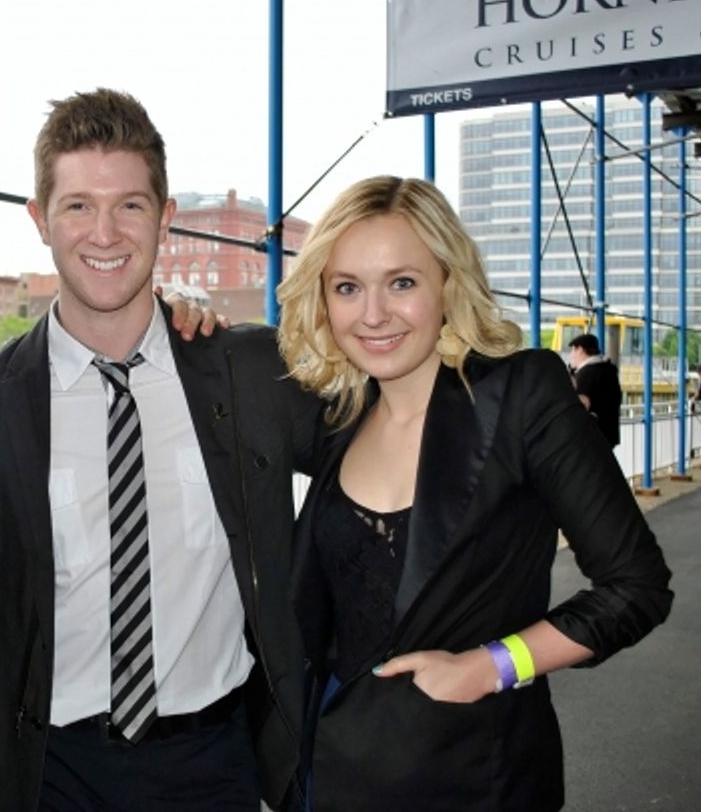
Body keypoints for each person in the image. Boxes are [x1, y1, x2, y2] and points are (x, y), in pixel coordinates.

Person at [0, 88, 322, 812]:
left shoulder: (247, 374)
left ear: (165, 218)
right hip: (49, 771)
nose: (105, 233)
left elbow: (384, 447)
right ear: (40, 220)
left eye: (130, 206)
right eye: (79, 205)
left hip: (214, 761)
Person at [276, 176, 673, 812]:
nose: (373, 313)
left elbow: (637, 588)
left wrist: (493, 664)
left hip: (472, 777)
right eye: (348, 287)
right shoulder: (339, 420)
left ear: (447, 284)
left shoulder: (521, 396)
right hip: (333, 773)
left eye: (402, 283)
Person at [568, 332, 623, 447]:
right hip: (609, 434)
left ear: (580, 350)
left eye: (572, 350)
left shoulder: (587, 374)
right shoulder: (608, 370)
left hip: (591, 438)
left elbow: (581, 403)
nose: (571, 355)